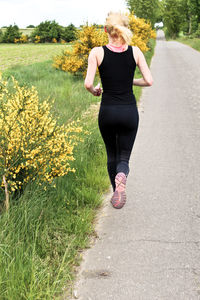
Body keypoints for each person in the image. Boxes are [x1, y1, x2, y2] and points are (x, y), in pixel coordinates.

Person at [84, 11, 153, 209]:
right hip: (129, 112)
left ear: (106, 29)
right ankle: (122, 176)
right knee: (123, 157)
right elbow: (149, 81)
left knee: (111, 155)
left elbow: (88, 83)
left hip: (107, 112)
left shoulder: (96, 52)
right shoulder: (136, 51)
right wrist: (130, 81)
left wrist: (95, 90)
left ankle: (116, 189)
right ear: (125, 30)